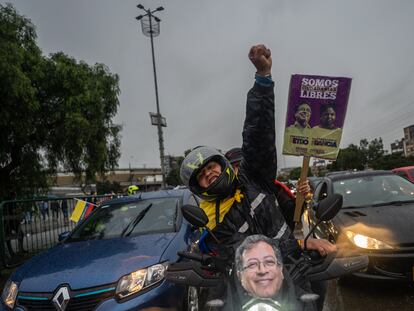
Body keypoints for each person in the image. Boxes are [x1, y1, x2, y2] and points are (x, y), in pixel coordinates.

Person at [180, 44, 335, 306]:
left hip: (292, 273)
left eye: (211, 167)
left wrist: (263, 78)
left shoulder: (254, 178)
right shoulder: (210, 218)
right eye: (203, 175)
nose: (210, 174)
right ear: (199, 187)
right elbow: (229, 255)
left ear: (223, 165)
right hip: (246, 290)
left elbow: (257, 133)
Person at [235, 235, 317, 311]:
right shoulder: (228, 303)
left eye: (269, 262)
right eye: (252, 264)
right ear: (239, 275)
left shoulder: (302, 302)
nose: (262, 270)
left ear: (280, 269)